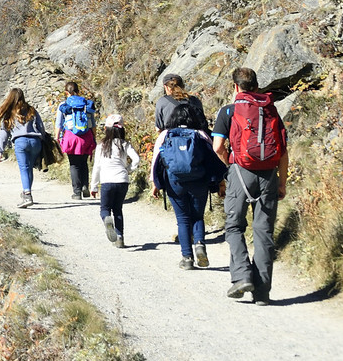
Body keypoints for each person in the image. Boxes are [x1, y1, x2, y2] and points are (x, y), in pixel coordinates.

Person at [214, 66, 289, 304]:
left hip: (240, 171)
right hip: (269, 175)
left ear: (235, 86)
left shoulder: (229, 111)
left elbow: (217, 147)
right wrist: (282, 183)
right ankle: (263, 292)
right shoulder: (270, 110)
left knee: (234, 225)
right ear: (256, 86)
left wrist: (230, 166)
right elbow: (283, 151)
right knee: (263, 230)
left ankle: (242, 276)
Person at [150, 115, 226, 270]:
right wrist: (220, 182)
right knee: (198, 217)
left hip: (175, 183)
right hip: (199, 182)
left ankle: (187, 258)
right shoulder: (200, 134)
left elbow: (156, 160)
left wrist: (155, 183)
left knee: (183, 219)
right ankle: (199, 245)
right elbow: (212, 160)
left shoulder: (166, 134)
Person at [90, 114, 140, 247]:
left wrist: (94, 186)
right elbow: (136, 159)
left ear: (106, 129)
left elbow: (97, 167)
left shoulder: (101, 145)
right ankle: (120, 238)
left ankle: (107, 219)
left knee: (105, 209)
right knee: (118, 209)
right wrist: (128, 170)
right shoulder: (124, 144)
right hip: (122, 180)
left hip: (107, 180)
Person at [0, 88, 47, 208]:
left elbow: (3, 135)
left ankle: (27, 195)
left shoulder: (9, 113)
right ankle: (27, 193)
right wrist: (42, 139)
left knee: (24, 168)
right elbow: (40, 126)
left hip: (20, 142)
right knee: (29, 169)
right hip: (35, 142)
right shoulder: (31, 110)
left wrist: (0, 151)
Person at [55, 81, 98, 201]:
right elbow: (92, 124)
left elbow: (58, 124)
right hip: (86, 136)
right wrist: (93, 138)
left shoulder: (64, 105)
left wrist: (57, 138)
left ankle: (77, 192)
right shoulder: (86, 104)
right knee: (84, 162)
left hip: (71, 137)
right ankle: (85, 186)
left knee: (74, 164)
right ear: (78, 91)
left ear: (66, 92)